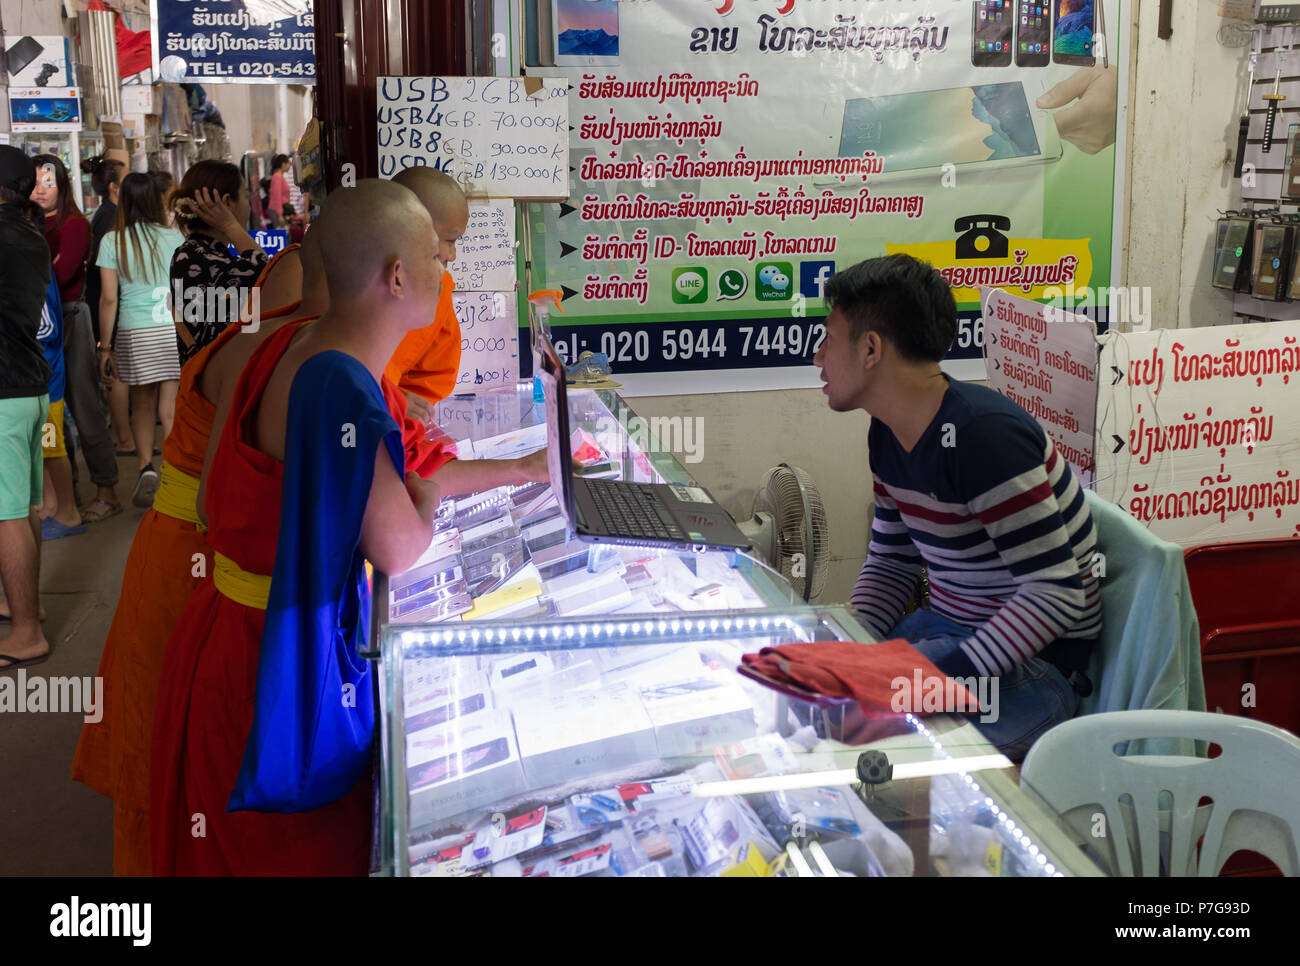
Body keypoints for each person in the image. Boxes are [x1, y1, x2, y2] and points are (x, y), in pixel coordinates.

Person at [150, 180, 446, 874]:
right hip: (282, 668)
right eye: (436, 254)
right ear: (396, 276)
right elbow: (400, 548)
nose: (445, 269)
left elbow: (205, 505)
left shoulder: (279, 343)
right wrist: (425, 499)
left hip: (222, 636)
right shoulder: (340, 381)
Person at [71, 239, 319, 876]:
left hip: (191, 558)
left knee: (178, 754)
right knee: (163, 757)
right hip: (191, 562)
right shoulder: (272, 350)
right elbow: (219, 501)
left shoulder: (271, 337)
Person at [814, 254, 1101, 760]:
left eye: (828, 340)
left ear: (872, 349)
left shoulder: (982, 438)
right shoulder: (886, 432)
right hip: (951, 632)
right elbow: (891, 561)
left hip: (1033, 667)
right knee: (817, 707)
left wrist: (938, 680)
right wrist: (851, 645)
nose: (818, 358)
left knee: (859, 751)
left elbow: (1056, 595)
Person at [31, 154, 122, 524]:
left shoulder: (73, 225)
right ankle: (68, 495)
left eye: (47, 182)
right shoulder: (30, 225)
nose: (40, 190)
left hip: (70, 319)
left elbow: (64, 272)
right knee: (51, 416)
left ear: (63, 186)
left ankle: (107, 490)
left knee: (85, 409)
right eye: (34, 182)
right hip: (39, 327)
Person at [96, 172, 185, 507]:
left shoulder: (111, 241)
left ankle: (147, 466)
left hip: (134, 331)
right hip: (170, 328)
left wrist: (106, 347)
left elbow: (108, 299)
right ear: (155, 199)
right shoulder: (175, 237)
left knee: (142, 404)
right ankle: (177, 472)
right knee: (170, 405)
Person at [0, 146, 54, 668]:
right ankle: (24, 606)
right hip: (31, 387)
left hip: (4, 394)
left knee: (6, 515)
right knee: (24, 508)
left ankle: (25, 632)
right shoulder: (31, 235)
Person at [382, 166, 468, 424]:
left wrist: (399, 401)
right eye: (450, 241)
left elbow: (431, 374)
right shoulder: (364, 288)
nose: (452, 255)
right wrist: (391, 400)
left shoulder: (438, 288)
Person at [169, 160, 267, 363]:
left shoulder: (195, 252)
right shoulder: (200, 258)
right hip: (221, 388)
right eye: (246, 197)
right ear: (227, 202)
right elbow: (264, 270)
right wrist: (230, 224)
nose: (248, 206)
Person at [81, 153, 134, 458]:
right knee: (113, 370)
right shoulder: (109, 220)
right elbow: (107, 284)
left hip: (105, 302)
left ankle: (119, 432)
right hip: (104, 305)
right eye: (125, 181)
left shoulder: (109, 215)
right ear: (114, 188)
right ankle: (123, 437)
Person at [36, 260, 85, 540]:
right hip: (37, 378)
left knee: (51, 448)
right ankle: (51, 508)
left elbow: (46, 328)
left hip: (45, 379)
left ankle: (68, 513)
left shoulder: (33, 264)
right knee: (43, 450)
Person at [267, 154, 292, 229]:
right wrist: (280, 215)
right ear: (283, 164)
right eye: (288, 163)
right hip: (277, 211)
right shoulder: (277, 177)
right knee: (282, 234)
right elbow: (277, 197)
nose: (290, 166)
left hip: (278, 210)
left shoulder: (279, 176)